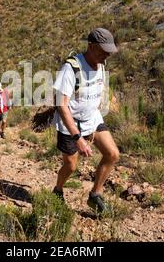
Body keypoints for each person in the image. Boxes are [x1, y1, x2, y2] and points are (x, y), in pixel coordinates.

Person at [52, 28, 120, 214]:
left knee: (112, 154)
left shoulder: (101, 64)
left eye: (109, 51)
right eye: (102, 50)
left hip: (92, 119)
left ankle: (95, 195)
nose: (106, 55)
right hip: (71, 124)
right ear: (90, 46)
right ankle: (57, 190)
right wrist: (78, 138)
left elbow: (98, 90)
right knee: (71, 166)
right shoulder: (71, 68)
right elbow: (62, 106)